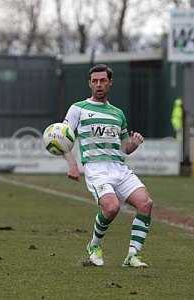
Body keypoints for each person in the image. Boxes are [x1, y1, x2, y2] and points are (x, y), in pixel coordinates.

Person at [63, 64, 153, 267]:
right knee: (112, 208)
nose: (98, 84)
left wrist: (134, 143)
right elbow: (63, 139)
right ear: (89, 83)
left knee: (145, 204)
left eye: (103, 80)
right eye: (94, 81)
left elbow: (124, 149)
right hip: (96, 169)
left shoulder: (117, 113)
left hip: (119, 168)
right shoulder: (78, 109)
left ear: (110, 83)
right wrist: (72, 165)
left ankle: (132, 256)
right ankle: (94, 245)